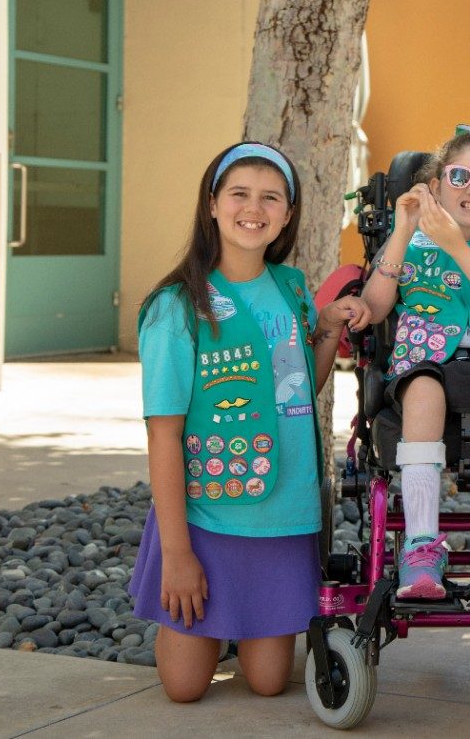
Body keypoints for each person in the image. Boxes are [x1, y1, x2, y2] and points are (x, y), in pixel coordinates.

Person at [129, 142, 350, 703]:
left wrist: (325, 329)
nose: (255, 208)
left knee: (271, 683)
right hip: (207, 514)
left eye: (271, 197)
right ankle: (202, 615)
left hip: (282, 514)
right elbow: (164, 433)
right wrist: (178, 555)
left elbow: (296, 390)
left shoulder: (293, 288)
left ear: (288, 213)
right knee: (183, 689)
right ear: (211, 205)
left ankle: (243, 620)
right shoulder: (177, 306)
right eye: (240, 194)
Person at [331, 128, 470, 601]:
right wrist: (401, 232)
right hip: (426, 357)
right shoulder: (409, 238)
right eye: (460, 176)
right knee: (424, 394)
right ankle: (420, 548)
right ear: (434, 186)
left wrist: (457, 246)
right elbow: (373, 306)